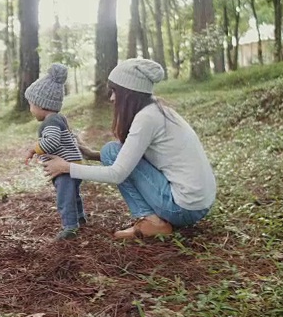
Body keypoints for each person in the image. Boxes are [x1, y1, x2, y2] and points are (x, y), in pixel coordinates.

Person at [42, 58, 216, 239]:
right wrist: (91, 154)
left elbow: (117, 174)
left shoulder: (146, 119)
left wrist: (66, 168)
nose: (111, 98)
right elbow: (130, 155)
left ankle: (152, 222)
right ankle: (154, 220)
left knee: (112, 152)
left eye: (115, 91)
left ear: (129, 93)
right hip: (198, 203)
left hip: (182, 208)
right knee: (111, 151)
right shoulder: (157, 110)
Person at [24, 63, 86, 240]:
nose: (30, 109)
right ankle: (80, 218)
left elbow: (51, 142)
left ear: (41, 105)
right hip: (74, 164)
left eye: (31, 105)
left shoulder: (50, 123)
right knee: (73, 195)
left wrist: (33, 149)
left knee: (64, 199)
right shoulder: (59, 119)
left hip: (65, 168)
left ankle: (70, 227)